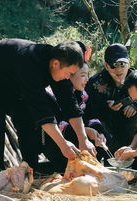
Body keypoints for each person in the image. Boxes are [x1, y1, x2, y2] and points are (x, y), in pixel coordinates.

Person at [0, 39, 96, 173]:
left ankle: (30, 168)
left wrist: (83, 140)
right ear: (55, 63)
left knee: (26, 118)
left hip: (12, 76)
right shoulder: (30, 64)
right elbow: (43, 112)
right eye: (68, 73)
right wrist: (63, 145)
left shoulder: (60, 66)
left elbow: (70, 105)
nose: (68, 77)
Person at [40, 42, 110, 172]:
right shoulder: (51, 95)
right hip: (57, 144)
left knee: (102, 137)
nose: (87, 79)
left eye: (87, 75)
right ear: (69, 75)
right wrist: (86, 131)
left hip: (79, 139)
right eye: (83, 75)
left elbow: (92, 116)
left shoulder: (83, 95)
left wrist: (97, 131)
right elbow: (59, 125)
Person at [85, 43, 137, 170]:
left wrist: (136, 106)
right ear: (106, 65)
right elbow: (88, 112)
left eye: (122, 64)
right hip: (106, 129)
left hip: (130, 128)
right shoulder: (94, 83)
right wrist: (106, 109)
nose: (119, 70)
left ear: (128, 63)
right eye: (113, 65)